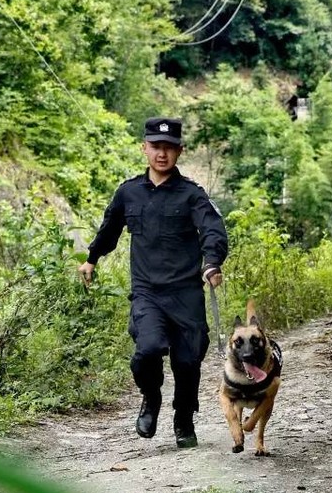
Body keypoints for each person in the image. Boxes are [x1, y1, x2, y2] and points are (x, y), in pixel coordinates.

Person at [78, 117, 228, 449]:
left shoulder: (192, 195)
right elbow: (109, 229)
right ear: (144, 148)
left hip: (186, 293)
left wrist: (212, 262)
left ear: (179, 151)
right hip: (148, 293)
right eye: (156, 147)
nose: (162, 154)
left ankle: (184, 418)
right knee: (146, 351)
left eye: (169, 148)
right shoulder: (128, 192)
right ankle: (151, 398)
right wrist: (92, 258)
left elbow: (214, 230)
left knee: (188, 361)